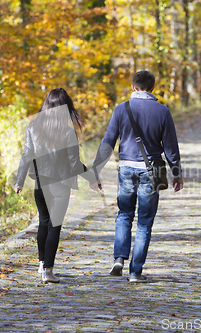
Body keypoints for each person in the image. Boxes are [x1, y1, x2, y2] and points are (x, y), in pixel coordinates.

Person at [93, 70, 184, 283]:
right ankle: (135, 272)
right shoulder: (162, 111)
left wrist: (96, 169)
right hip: (151, 171)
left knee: (124, 214)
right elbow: (170, 147)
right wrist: (177, 173)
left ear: (133, 87)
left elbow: (108, 141)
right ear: (152, 88)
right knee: (144, 222)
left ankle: (118, 259)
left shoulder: (121, 109)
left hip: (125, 169)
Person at [14, 88, 100, 283]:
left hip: (40, 184)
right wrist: (92, 178)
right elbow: (74, 163)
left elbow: (27, 155)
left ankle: (41, 263)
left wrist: (19, 181)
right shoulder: (67, 132)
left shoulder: (33, 128)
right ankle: (48, 271)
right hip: (60, 185)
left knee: (43, 223)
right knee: (54, 226)